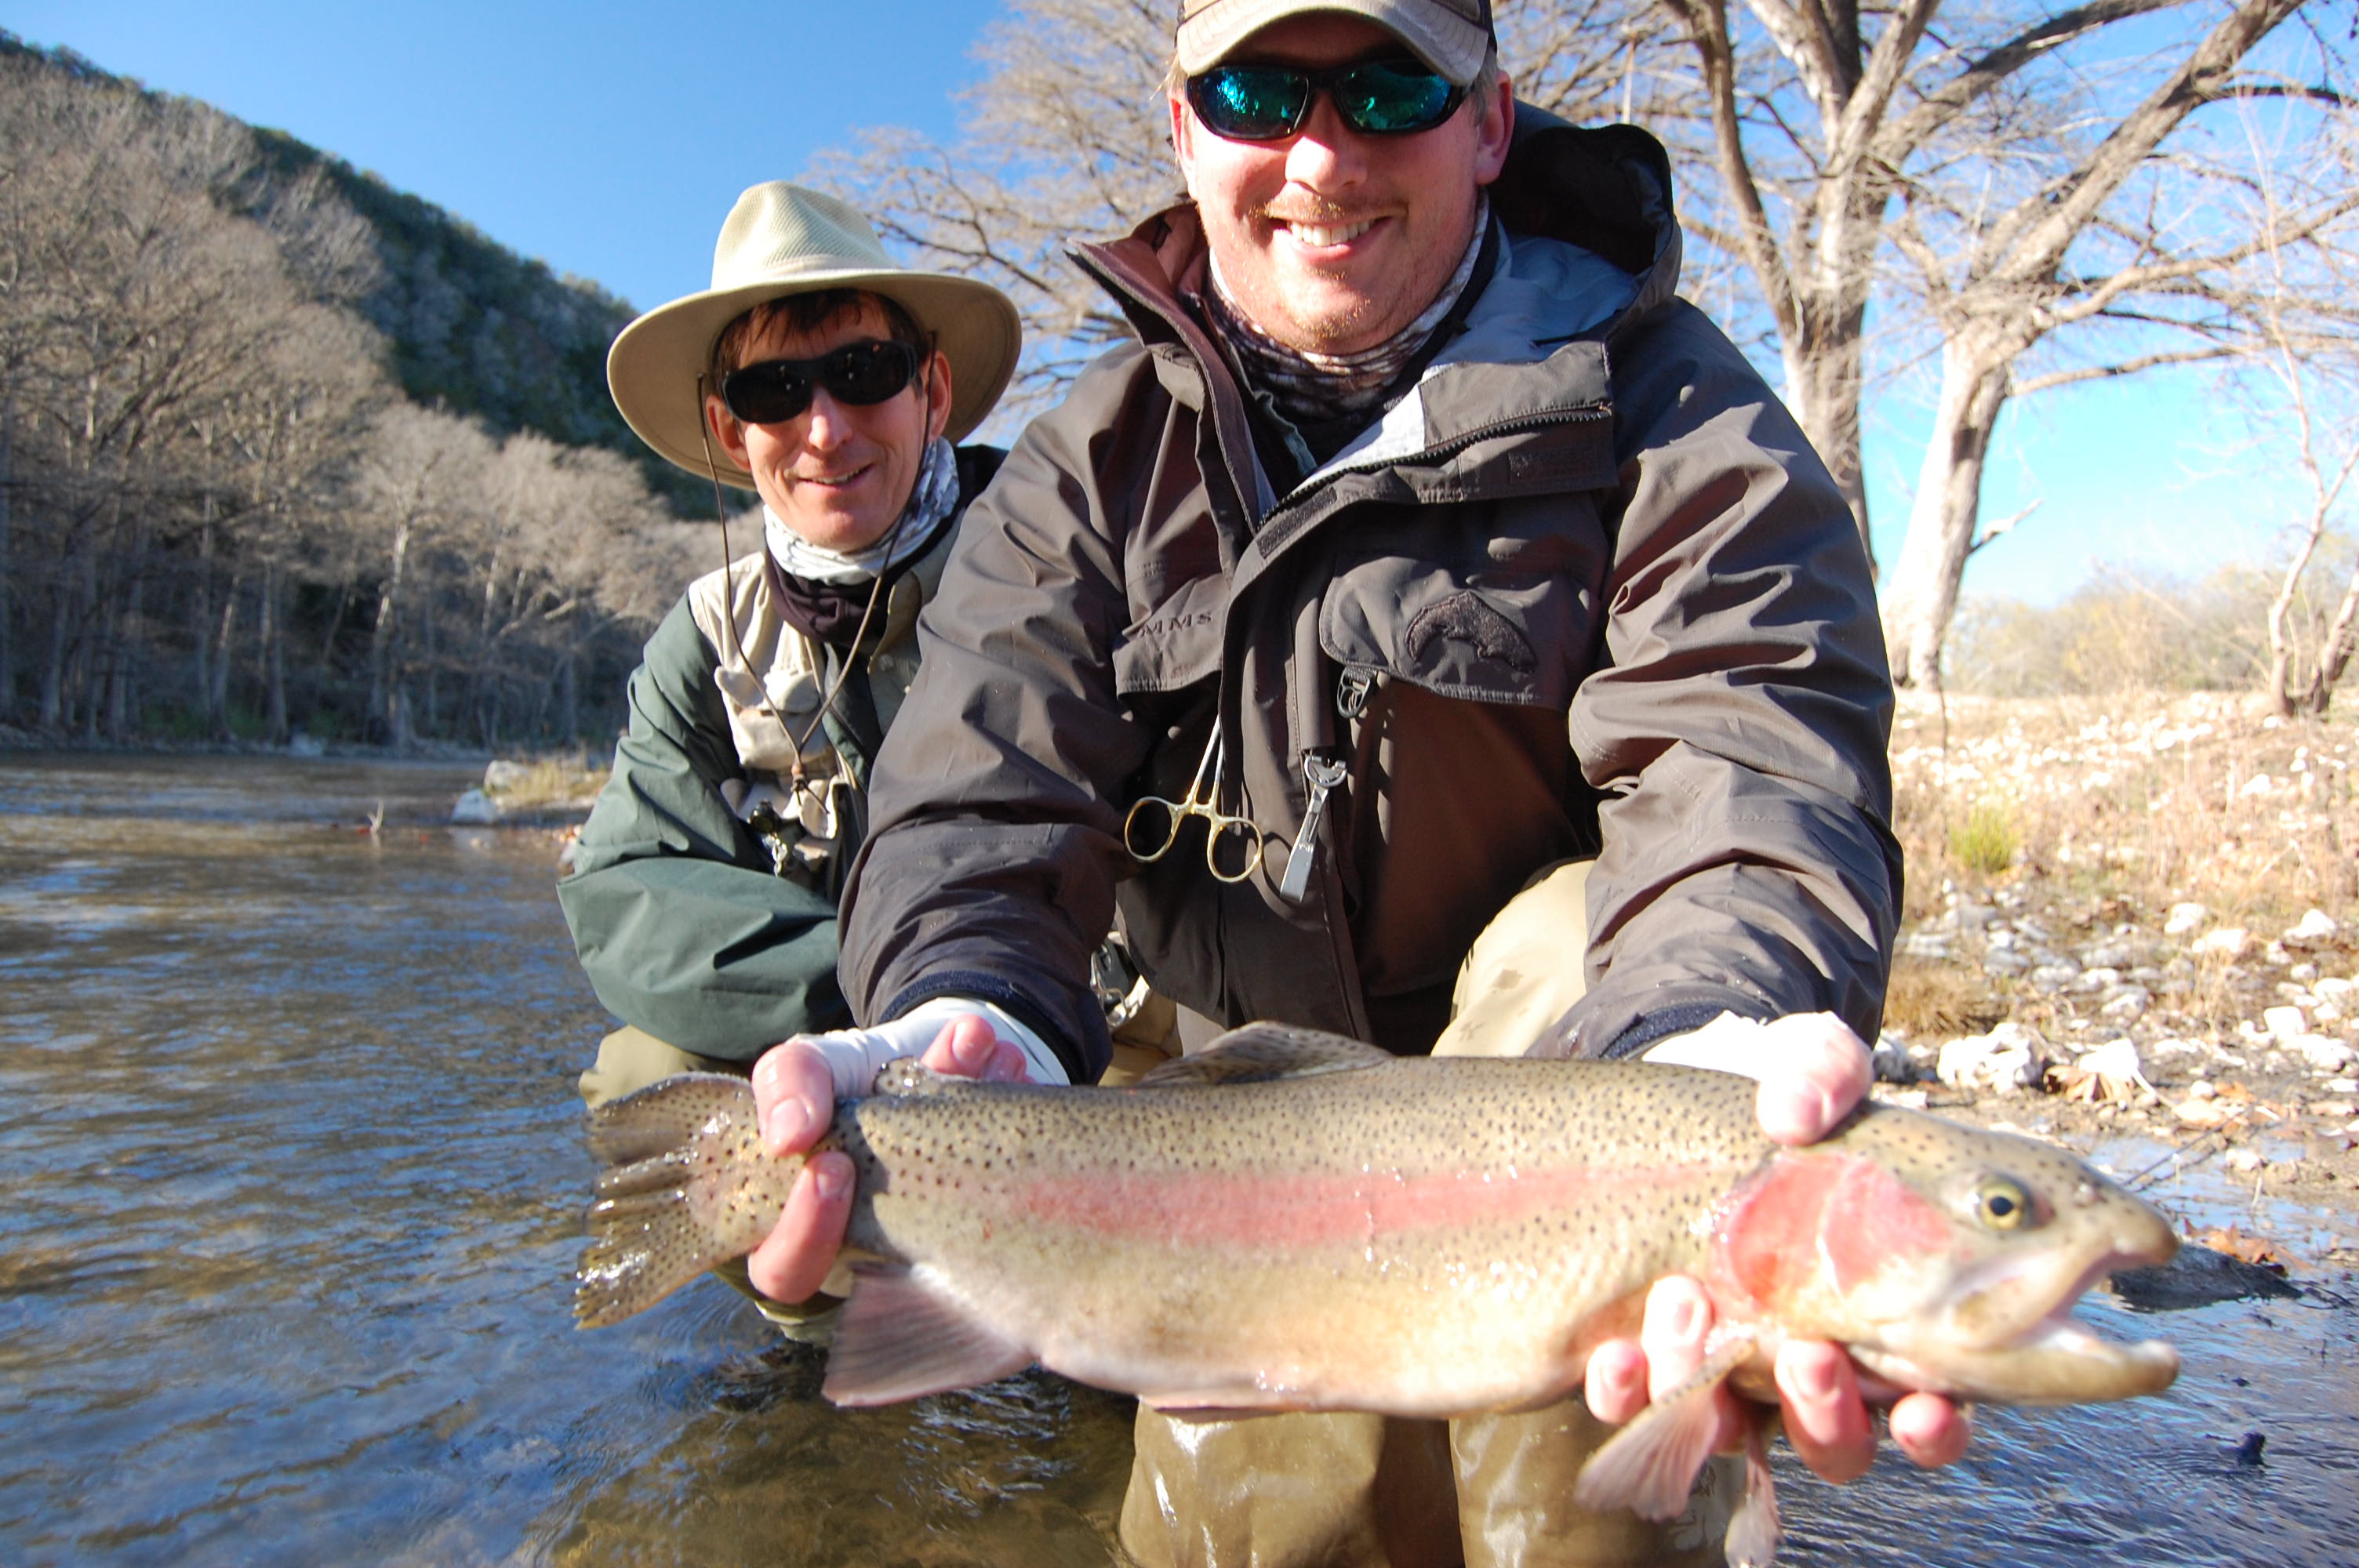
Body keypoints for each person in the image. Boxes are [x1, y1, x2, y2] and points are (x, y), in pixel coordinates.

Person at [738, 2, 1973, 1562]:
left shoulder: (1672, 412)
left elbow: (1746, 758)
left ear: (1488, 123)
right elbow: (978, 800)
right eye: (1258, 91)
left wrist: (1709, 1082)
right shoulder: (1088, 465)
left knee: (1581, 1482)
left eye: (1389, 87)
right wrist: (961, 1002)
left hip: (1569, 1071)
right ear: (1183, 127)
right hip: (1224, 1109)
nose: (1320, 154)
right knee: (1260, 1529)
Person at [554, 183, 1049, 1323]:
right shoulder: (705, 639)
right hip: (831, 1048)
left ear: (932, 388)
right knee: (642, 1076)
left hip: (1051, 1034)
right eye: (776, 390)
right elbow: (626, 891)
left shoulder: (1060, 552)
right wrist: (876, 1006)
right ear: (733, 430)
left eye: (864, 373)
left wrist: (956, 1004)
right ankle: (828, 1324)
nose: (825, 426)